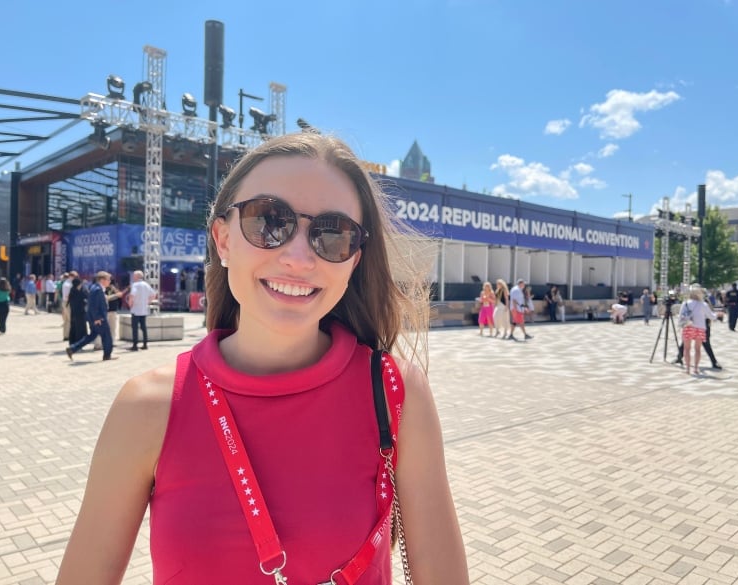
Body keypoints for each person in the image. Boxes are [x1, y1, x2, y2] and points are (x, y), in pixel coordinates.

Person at [56, 132, 469, 585]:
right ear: (223, 239)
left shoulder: (396, 392)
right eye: (268, 221)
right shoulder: (148, 406)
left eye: (332, 235)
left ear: (354, 260)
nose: (297, 257)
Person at [65, 271, 114, 361]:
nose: (110, 281)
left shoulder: (96, 288)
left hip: (94, 318)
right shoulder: (97, 290)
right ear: (102, 280)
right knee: (107, 336)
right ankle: (107, 355)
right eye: (108, 279)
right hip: (99, 318)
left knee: (92, 336)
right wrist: (97, 318)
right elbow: (93, 305)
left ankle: (72, 349)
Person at [678, 285, 721, 376]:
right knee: (697, 349)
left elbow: (680, 316)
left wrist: (680, 325)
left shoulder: (685, 303)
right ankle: (696, 368)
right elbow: (711, 316)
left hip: (688, 327)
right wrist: (718, 315)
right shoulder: (703, 304)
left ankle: (688, 368)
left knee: (687, 349)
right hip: (700, 328)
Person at [126, 270, 156, 351]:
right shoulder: (146, 285)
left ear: (136, 277)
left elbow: (132, 295)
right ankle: (145, 344)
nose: (133, 277)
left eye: (134, 276)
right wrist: (147, 302)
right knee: (144, 327)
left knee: (135, 328)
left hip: (136, 309)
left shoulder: (135, 285)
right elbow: (153, 294)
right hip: (144, 309)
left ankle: (135, 345)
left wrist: (130, 303)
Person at [67, 278, 88, 344]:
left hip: (77, 312)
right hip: (78, 313)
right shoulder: (75, 291)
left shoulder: (74, 290)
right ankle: (78, 342)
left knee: (76, 327)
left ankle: (75, 342)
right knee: (78, 328)